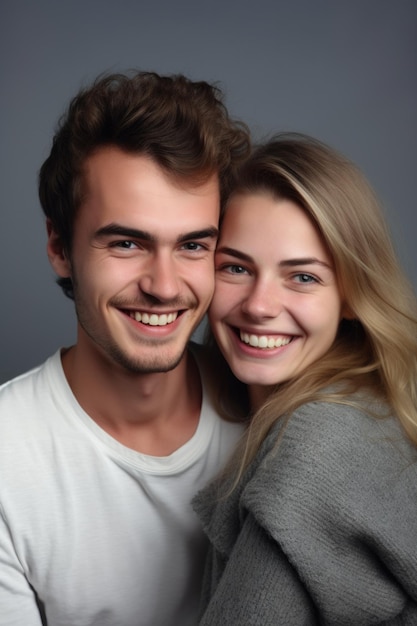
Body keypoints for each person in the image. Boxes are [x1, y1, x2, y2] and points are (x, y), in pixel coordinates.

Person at [0, 70, 250, 626]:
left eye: (191, 245)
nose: (163, 285)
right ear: (59, 248)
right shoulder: (6, 461)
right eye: (127, 243)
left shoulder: (271, 418)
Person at [193, 133, 417, 625]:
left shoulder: (319, 441)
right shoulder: (364, 409)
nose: (259, 305)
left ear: (354, 296)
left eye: (303, 277)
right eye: (235, 267)